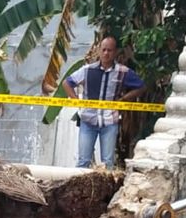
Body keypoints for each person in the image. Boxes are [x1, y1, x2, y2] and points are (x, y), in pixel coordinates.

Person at [62, 36, 145, 169]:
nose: (106, 53)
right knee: (83, 160)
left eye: (110, 50)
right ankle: (80, 189)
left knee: (108, 162)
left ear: (115, 52)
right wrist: (76, 101)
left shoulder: (122, 72)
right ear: (99, 51)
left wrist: (124, 99)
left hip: (109, 121)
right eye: (104, 50)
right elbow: (67, 83)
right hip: (88, 121)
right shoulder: (87, 70)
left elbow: (141, 86)